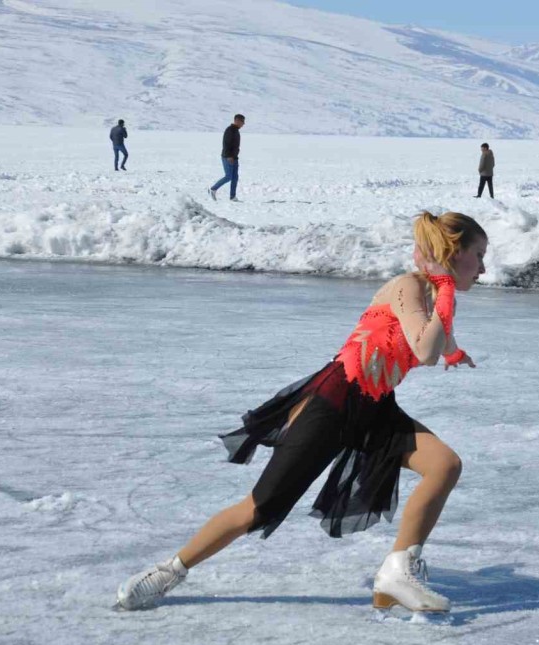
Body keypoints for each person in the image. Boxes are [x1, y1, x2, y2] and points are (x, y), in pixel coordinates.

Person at [115, 211, 488, 617]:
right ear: (454, 253)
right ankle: (169, 570)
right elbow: (423, 350)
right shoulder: (407, 287)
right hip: (334, 403)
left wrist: (453, 348)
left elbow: (437, 341)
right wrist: (446, 294)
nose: (484, 267)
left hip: (376, 407)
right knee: (258, 509)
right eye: (479, 254)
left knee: (445, 465)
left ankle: (397, 573)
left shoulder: (433, 296)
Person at [209, 114, 245, 201]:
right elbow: (226, 144)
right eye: (242, 122)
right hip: (228, 157)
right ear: (237, 121)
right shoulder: (230, 130)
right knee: (228, 176)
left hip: (234, 157)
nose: (243, 124)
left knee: (235, 177)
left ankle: (232, 197)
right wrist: (229, 156)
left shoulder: (236, 130)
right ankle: (213, 189)